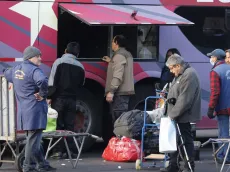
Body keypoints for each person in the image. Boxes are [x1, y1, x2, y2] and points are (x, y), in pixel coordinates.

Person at [3, 46, 56, 172]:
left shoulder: (16, 70)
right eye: (38, 56)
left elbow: (6, 72)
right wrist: (43, 94)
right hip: (35, 111)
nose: (40, 59)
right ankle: (28, 167)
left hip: (24, 112)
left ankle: (42, 165)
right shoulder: (34, 71)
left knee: (34, 140)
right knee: (33, 141)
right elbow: (43, 81)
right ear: (30, 57)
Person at [163, 54, 201, 172]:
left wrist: (172, 114)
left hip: (183, 114)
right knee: (175, 140)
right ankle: (174, 165)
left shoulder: (189, 75)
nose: (171, 71)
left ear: (178, 65)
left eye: (171, 68)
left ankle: (188, 167)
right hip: (177, 113)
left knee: (185, 140)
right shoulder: (181, 74)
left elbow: (185, 99)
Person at [47, 42, 85, 159]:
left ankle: (58, 151)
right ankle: (71, 152)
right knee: (70, 126)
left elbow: (52, 81)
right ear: (77, 54)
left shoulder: (58, 62)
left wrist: (49, 96)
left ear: (65, 51)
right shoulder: (81, 66)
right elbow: (81, 84)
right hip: (72, 100)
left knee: (58, 126)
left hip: (59, 99)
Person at [104, 35, 135, 124]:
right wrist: (111, 61)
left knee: (118, 121)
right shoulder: (126, 53)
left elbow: (118, 74)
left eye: (113, 42)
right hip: (124, 93)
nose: (112, 44)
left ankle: (120, 138)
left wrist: (111, 91)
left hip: (119, 93)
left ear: (116, 43)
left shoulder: (119, 55)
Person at [207, 49, 230, 164]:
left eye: (211, 57)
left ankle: (225, 156)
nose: (210, 59)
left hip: (223, 108)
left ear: (215, 58)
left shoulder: (215, 71)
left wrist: (211, 108)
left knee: (223, 133)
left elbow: (215, 92)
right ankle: (223, 155)